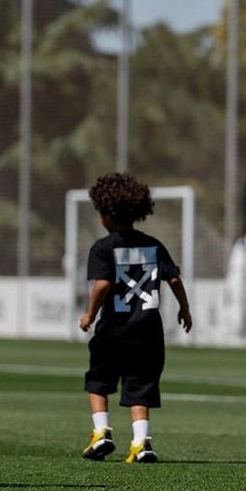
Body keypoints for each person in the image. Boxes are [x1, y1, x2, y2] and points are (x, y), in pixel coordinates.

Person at [79, 173, 192, 463]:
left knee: (98, 380)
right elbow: (175, 279)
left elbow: (102, 284)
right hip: (148, 330)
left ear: (106, 213)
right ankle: (141, 442)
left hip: (114, 328)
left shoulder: (103, 248)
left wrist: (89, 314)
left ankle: (101, 431)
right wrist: (185, 308)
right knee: (141, 385)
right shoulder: (153, 245)